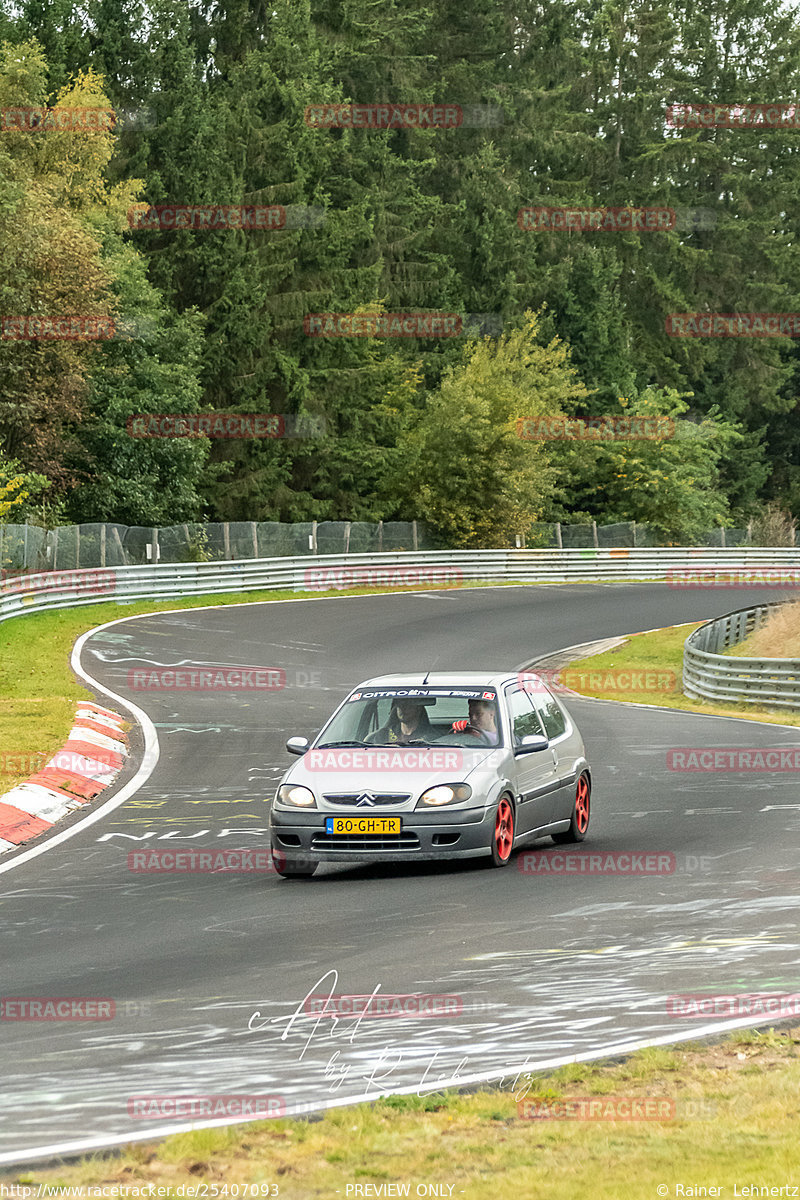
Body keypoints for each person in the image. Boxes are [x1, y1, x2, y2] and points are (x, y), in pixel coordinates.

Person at [366, 699, 433, 745]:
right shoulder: (383, 735)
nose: (402, 709)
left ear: (418, 709)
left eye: (408, 705)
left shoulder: (432, 737)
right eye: (400, 705)